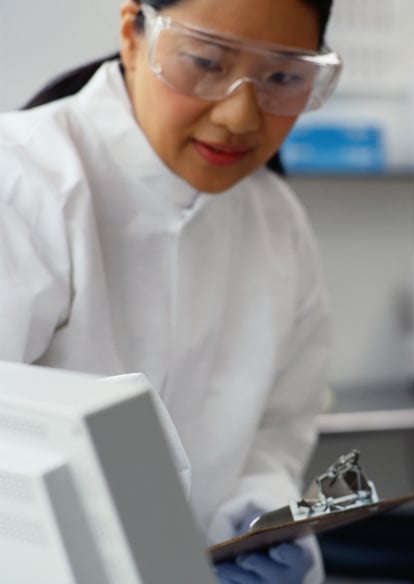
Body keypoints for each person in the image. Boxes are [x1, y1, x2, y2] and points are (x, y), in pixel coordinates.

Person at [0, 0, 341, 582]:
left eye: (282, 78)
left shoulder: (276, 217)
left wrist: (255, 517)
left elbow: (280, 423)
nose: (239, 116)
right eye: (206, 62)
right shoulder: (25, 181)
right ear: (134, 32)